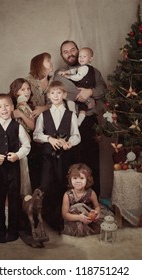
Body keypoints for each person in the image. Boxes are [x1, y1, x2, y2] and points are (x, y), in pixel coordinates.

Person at [54, 40, 107, 197]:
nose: (70, 53)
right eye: (65, 51)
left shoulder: (93, 71)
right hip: (66, 122)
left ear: (78, 51)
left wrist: (90, 92)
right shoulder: (60, 72)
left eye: (73, 50)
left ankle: (93, 202)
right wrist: (81, 97)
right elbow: (56, 91)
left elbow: (103, 89)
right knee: (68, 162)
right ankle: (69, 203)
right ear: (62, 55)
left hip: (88, 121)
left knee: (90, 161)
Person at [0, 93, 31, 243]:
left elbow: (27, 146)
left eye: (7, 105)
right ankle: (0, 232)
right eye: (0, 107)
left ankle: (13, 231)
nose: (4, 109)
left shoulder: (18, 127)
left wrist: (17, 155)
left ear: (12, 107)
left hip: (14, 169)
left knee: (14, 199)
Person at [33, 80, 81, 230]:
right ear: (48, 95)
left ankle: (62, 220)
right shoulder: (44, 115)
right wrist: (49, 138)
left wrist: (69, 143)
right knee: (46, 186)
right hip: (48, 158)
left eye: (59, 93)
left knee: (63, 185)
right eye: (52, 93)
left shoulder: (70, 114)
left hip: (65, 158)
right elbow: (36, 134)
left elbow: (76, 135)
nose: (55, 95)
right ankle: (46, 220)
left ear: (64, 95)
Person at [26, 52, 54, 189]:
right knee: (34, 163)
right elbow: (15, 96)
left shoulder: (53, 82)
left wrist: (44, 108)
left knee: (49, 164)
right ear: (39, 64)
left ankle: (47, 196)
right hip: (31, 127)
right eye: (48, 60)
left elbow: (60, 102)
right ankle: (34, 198)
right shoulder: (28, 82)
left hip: (49, 128)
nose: (51, 62)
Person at [58, 47, 95, 126]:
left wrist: (69, 77)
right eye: (80, 56)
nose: (81, 58)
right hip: (82, 93)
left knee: (69, 99)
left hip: (84, 91)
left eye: (84, 57)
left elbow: (78, 76)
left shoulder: (85, 68)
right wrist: (66, 72)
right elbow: (74, 70)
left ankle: (74, 116)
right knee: (82, 109)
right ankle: (77, 121)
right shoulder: (82, 67)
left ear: (90, 59)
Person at [62, 163, 101, 237]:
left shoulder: (91, 193)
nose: (78, 181)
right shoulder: (67, 195)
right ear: (70, 179)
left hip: (88, 217)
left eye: (82, 178)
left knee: (102, 224)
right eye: (75, 178)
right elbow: (65, 215)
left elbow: (97, 207)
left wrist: (97, 213)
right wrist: (79, 218)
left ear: (87, 179)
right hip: (74, 219)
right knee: (77, 226)